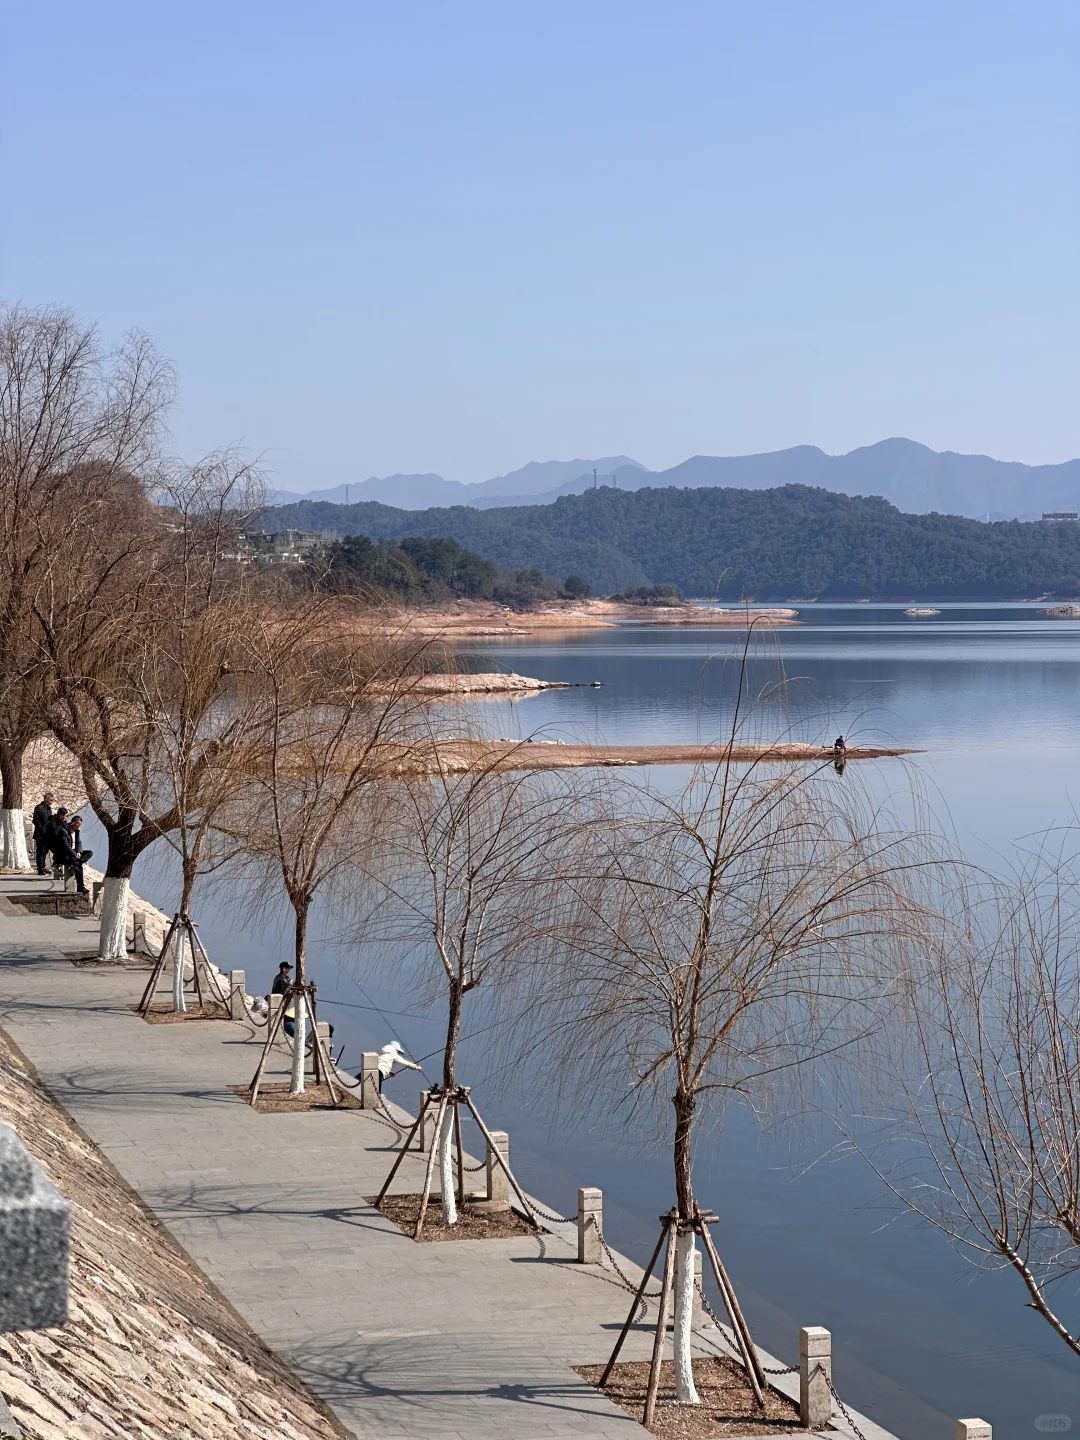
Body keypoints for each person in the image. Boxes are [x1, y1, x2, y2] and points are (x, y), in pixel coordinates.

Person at [66, 815, 92, 895]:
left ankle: (79, 861)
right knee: (78, 866)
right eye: (78, 825)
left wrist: (79, 852)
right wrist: (74, 854)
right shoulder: (66, 830)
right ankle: (80, 887)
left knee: (89, 853)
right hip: (68, 852)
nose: (79, 827)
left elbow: (79, 843)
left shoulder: (77, 832)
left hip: (76, 852)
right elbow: (66, 845)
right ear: (74, 823)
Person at [31, 792, 55, 876]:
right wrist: (42, 829)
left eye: (52, 800)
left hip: (47, 834)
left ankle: (43, 866)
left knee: (45, 851)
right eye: (50, 800)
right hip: (40, 834)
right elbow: (35, 820)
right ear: (46, 799)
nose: (52, 802)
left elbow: (48, 820)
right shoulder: (39, 808)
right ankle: (40, 868)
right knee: (40, 851)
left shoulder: (49, 809)